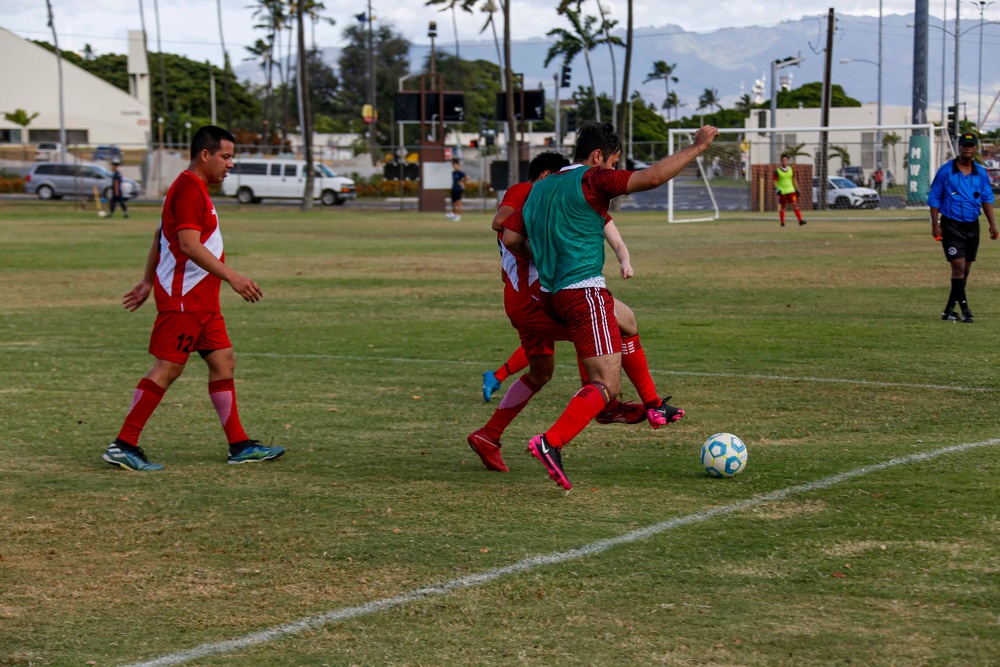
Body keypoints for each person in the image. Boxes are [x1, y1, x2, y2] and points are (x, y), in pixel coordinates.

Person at [502, 122, 718, 489]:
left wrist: (543, 253)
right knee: (607, 385)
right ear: (598, 155)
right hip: (584, 292)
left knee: (627, 320)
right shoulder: (593, 179)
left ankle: (652, 404)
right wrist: (696, 148)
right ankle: (550, 443)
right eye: (614, 162)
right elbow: (650, 178)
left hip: (554, 295)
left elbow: (511, 236)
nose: (615, 171)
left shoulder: (539, 189)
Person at [102, 125, 285, 471]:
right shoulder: (189, 188)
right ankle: (123, 444)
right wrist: (233, 277)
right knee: (167, 369)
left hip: (202, 302)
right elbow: (187, 243)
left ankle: (239, 445)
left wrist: (145, 280)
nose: (230, 164)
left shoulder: (195, 189)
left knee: (223, 361)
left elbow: (161, 236)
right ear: (206, 155)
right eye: (226, 156)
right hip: (185, 300)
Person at [469, 151, 652, 474]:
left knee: (541, 372)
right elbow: (501, 222)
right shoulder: (529, 190)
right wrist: (542, 237)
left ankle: (488, 435)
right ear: (547, 175)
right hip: (533, 296)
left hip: (523, 296)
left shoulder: (551, 195)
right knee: (603, 324)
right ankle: (608, 406)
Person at [928, 131, 998, 323]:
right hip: (951, 224)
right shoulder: (946, 171)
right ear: (959, 147)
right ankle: (966, 309)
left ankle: (949, 310)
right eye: (965, 145)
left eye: (971, 145)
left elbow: (986, 199)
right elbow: (934, 198)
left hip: (972, 226)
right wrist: (936, 224)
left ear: (975, 148)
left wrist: (992, 224)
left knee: (965, 270)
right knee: (958, 266)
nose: (968, 149)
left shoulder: (981, 173)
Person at [773, 155, 806, 227]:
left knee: (795, 204)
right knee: (783, 207)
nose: (785, 161)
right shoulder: (778, 171)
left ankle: (800, 220)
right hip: (782, 191)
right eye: (783, 160)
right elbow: (775, 181)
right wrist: (777, 189)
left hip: (791, 190)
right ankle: (782, 222)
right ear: (781, 161)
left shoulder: (791, 169)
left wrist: (797, 188)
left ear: (788, 161)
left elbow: (794, 179)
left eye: (786, 160)